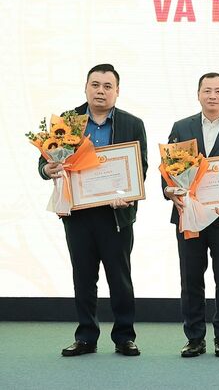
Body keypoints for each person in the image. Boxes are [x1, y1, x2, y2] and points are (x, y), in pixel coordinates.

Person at [38, 64, 148, 357]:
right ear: (86, 87)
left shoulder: (132, 123)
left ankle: (124, 337)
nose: (101, 91)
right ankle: (86, 336)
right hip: (78, 214)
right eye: (95, 85)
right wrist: (47, 169)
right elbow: (45, 160)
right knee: (84, 278)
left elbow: (141, 166)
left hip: (116, 215)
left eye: (107, 86)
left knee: (120, 279)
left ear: (117, 91)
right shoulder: (67, 121)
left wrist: (127, 194)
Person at [164, 72, 219, 358]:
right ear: (198, 94)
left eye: (218, 91)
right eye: (207, 90)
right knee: (190, 278)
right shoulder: (181, 127)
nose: (212, 96)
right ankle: (194, 337)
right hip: (189, 214)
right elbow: (169, 169)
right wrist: (169, 191)